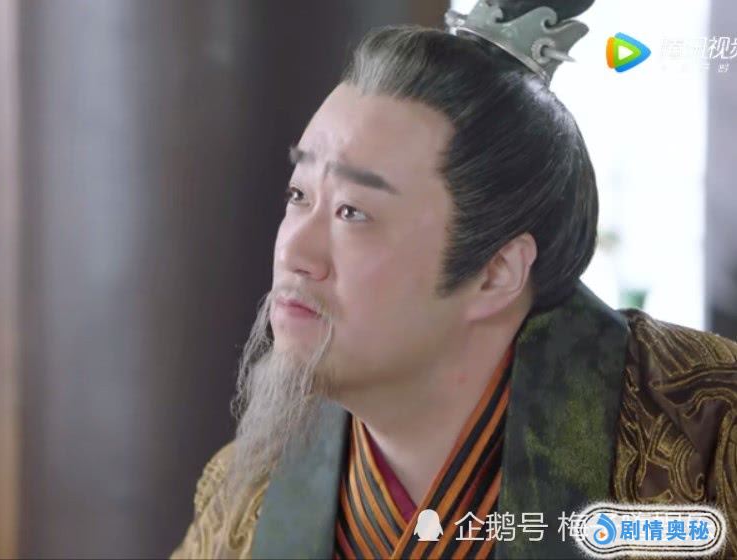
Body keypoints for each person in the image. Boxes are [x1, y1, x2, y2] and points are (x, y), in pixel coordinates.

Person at [172, 1, 737, 558]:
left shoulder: (708, 436)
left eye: (352, 212)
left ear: (496, 273)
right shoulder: (244, 493)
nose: (294, 252)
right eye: (299, 195)